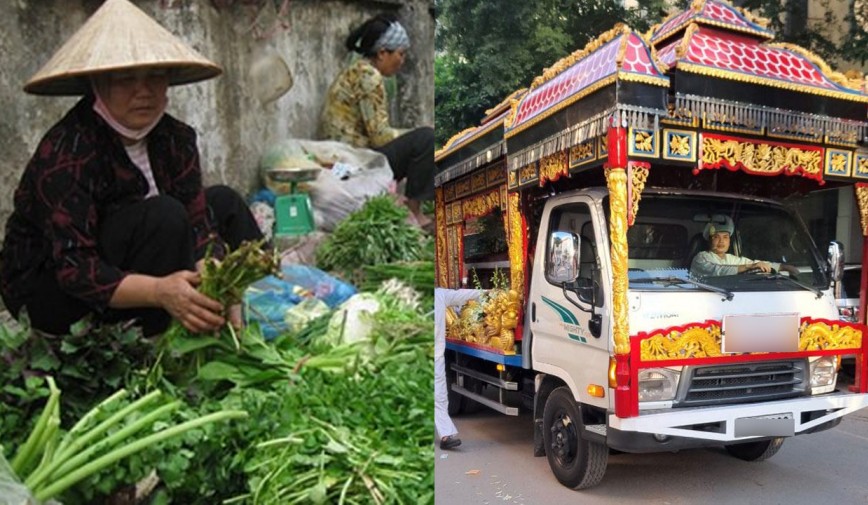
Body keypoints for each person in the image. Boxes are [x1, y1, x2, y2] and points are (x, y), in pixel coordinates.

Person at [0, 0, 263, 337]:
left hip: (131, 252)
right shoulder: (69, 150)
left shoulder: (175, 139)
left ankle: (244, 310)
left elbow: (199, 224)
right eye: (126, 79)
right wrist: (160, 292)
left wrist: (218, 282)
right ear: (99, 84)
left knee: (223, 202)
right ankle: (148, 341)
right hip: (50, 291)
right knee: (164, 216)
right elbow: (75, 268)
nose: (144, 91)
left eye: (155, 76)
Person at [319, 13, 435, 230]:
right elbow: (379, 136)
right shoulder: (369, 77)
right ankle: (415, 211)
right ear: (382, 53)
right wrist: (420, 130)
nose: (402, 60)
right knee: (427, 138)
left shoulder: (356, 71)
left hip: (342, 158)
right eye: (400, 54)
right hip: (352, 164)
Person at [434, 287, 483, 450]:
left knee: (440, 396)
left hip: (436, 357)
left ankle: (445, 436)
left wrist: (484, 292)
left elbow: (460, 296)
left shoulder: (439, 295)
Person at [690, 217, 800, 278]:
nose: (721, 241)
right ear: (710, 240)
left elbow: (755, 262)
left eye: (725, 237)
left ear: (729, 242)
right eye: (716, 237)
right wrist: (750, 266)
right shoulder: (701, 258)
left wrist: (783, 267)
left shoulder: (730, 258)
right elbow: (720, 271)